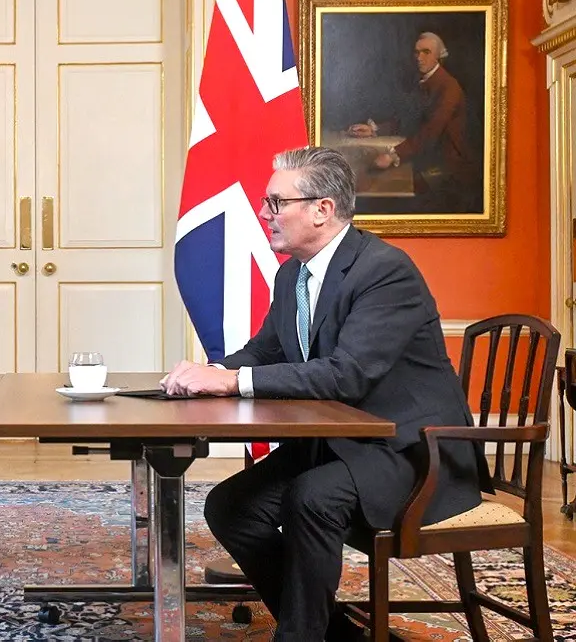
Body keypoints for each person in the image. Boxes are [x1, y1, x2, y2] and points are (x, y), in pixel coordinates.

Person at [161, 146, 488, 641]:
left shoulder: (385, 271)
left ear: (322, 209)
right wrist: (209, 372)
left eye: (276, 202)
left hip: (411, 450)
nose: (264, 213)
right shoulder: (293, 273)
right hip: (341, 443)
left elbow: (347, 375)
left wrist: (231, 382)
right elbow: (265, 351)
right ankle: (330, 631)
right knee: (230, 507)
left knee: (312, 497)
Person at [346, 32, 479, 208]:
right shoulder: (423, 82)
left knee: (390, 192)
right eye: (416, 52)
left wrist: (394, 155)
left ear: (439, 56)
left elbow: (431, 130)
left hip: (447, 166)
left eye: (426, 52)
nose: (419, 58)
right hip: (425, 157)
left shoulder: (449, 87)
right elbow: (410, 120)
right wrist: (375, 129)